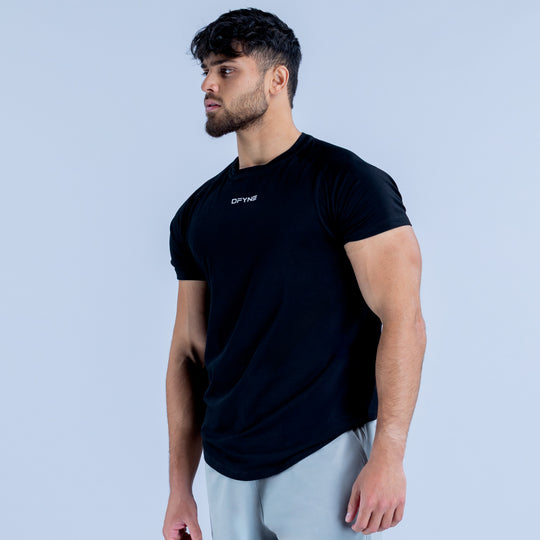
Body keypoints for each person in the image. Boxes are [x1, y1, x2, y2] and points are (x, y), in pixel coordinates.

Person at [162, 8, 426, 540]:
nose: (208, 84)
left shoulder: (347, 183)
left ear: (276, 79)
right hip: (226, 464)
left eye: (226, 69)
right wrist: (179, 489)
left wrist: (389, 455)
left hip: (323, 451)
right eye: (206, 71)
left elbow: (403, 320)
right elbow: (188, 352)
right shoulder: (197, 213)